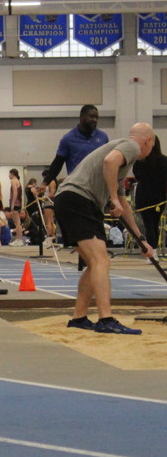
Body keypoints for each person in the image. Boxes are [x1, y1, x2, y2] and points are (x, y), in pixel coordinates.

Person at [53, 123, 157, 335]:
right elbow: (110, 162)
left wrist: (141, 240)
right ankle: (105, 319)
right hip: (78, 199)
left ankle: (79, 318)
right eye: (152, 147)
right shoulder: (131, 146)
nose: (149, 152)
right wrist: (112, 198)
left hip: (72, 200)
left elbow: (123, 205)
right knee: (101, 261)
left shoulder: (119, 165)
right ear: (148, 141)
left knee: (94, 264)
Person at [46, 105, 110, 181]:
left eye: (96, 117)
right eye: (91, 117)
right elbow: (58, 163)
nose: (95, 120)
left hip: (98, 183)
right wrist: (45, 182)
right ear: (82, 117)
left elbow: (108, 161)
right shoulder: (68, 138)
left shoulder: (103, 137)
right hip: (77, 183)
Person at [132, 134, 167, 248]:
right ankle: (154, 249)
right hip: (159, 198)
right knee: (155, 224)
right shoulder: (164, 160)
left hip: (143, 197)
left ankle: (151, 249)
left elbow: (137, 175)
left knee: (148, 225)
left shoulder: (140, 161)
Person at [7, 169, 24, 246]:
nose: (9, 176)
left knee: (17, 223)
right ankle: (18, 239)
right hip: (18, 203)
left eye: (9, 174)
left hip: (15, 203)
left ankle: (19, 240)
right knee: (17, 222)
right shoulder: (18, 181)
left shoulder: (13, 181)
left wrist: (12, 204)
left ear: (12, 174)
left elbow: (15, 193)